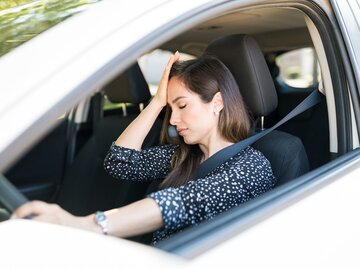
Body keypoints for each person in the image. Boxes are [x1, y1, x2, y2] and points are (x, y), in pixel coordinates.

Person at [14, 52, 276, 244]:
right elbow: (119, 162)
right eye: (170, 109)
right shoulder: (181, 156)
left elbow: (185, 202)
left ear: (217, 102)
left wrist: (87, 225)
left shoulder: (252, 166)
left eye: (182, 106)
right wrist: (157, 102)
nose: (172, 120)